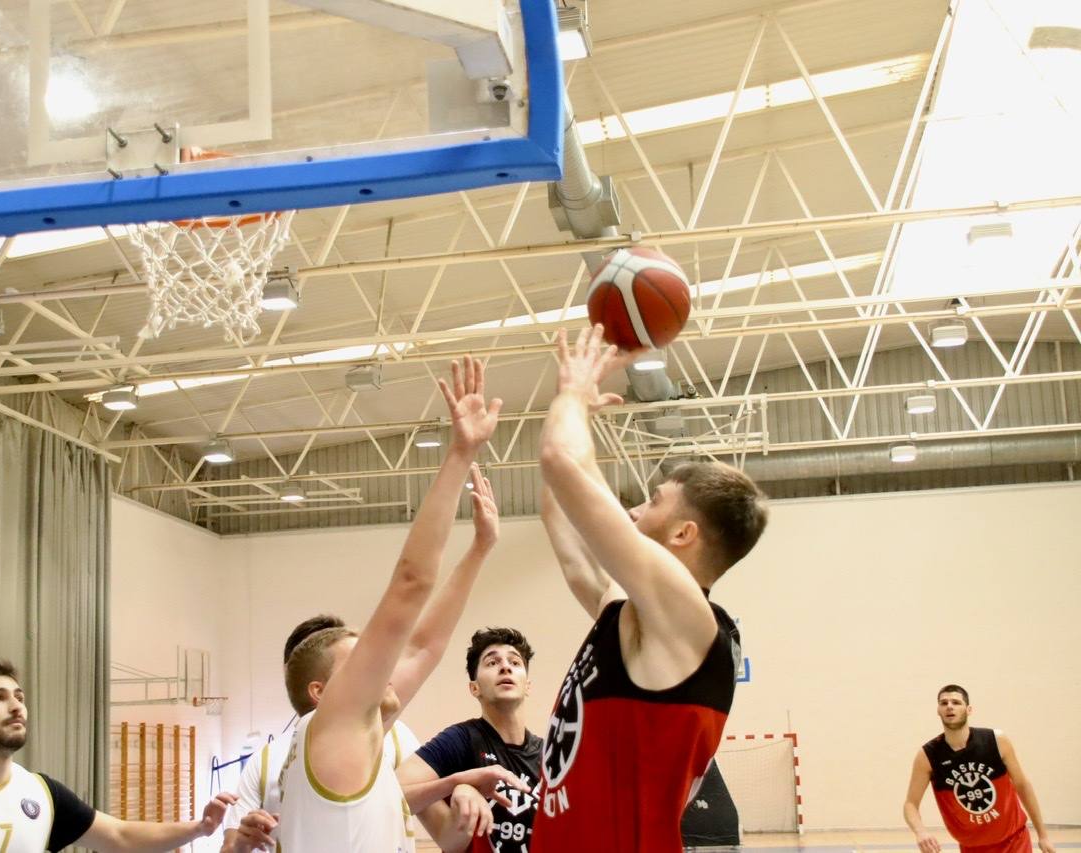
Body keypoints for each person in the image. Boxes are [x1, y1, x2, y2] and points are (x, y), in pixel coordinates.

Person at [272, 356, 526, 852]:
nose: (382, 662)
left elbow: (424, 647)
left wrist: (480, 549)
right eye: (362, 659)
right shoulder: (333, 733)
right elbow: (412, 583)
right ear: (321, 693)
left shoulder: (355, 740)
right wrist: (459, 455)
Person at [533, 325, 769, 851]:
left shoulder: (687, 618)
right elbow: (565, 526)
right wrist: (580, 418)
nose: (636, 509)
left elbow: (561, 462)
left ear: (685, 534)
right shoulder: (635, 616)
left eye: (655, 500)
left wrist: (572, 391)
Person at [0, 660, 234, 852]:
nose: (16, 706)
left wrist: (198, 828)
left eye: (19, 697)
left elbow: (119, 836)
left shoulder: (41, 793)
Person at [220, 614, 423, 852]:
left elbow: (423, 650)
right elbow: (229, 848)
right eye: (353, 666)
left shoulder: (397, 737)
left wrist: (458, 785)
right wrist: (240, 846)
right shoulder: (264, 761)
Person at [398, 627, 542, 853]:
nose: (505, 666)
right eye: (492, 663)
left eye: (515, 663)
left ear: (527, 686)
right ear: (474, 688)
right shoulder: (460, 739)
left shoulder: (549, 754)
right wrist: (457, 785)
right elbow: (391, 794)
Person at [903, 685, 1055, 853]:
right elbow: (910, 804)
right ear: (938, 710)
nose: (949, 706)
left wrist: (1043, 835)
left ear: (969, 710)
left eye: (956, 702)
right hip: (972, 847)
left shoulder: (996, 741)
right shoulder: (928, 755)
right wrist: (920, 832)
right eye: (943, 703)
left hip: (1014, 841)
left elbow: (1023, 785)